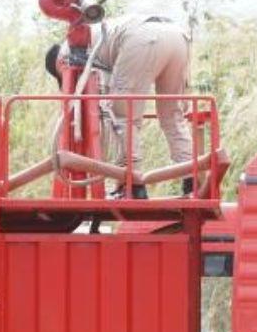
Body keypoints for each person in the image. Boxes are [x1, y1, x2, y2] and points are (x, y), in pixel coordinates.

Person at [46, 15, 194, 198]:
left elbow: (93, 90)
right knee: (172, 116)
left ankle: (131, 185)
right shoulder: (94, 35)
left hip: (141, 39)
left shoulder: (66, 53)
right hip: (177, 36)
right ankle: (192, 180)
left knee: (123, 115)